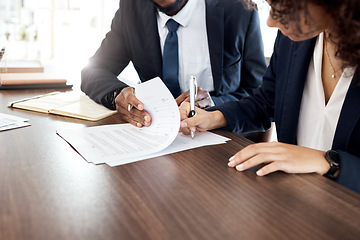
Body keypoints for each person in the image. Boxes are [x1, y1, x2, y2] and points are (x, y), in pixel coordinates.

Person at [179, 0, 360, 193]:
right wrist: (213, 117)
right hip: (291, 196)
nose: (270, 22)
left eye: (285, 8)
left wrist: (328, 163)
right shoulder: (292, 39)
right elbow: (265, 102)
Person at [81, 0, 266, 128]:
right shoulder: (132, 9)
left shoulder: (238, 8)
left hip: (219, 137)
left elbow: (260, 93)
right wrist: (117, 94)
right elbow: (93, 70)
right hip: (153, 131)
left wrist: (212, 105)